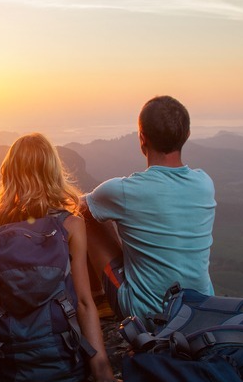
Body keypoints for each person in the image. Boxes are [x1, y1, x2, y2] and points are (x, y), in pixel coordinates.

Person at [0, 132, 122, 382]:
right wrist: (102, 368)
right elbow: (83, 301)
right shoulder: (71, 224)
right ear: (53, 171)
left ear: (9, 172)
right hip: (62, 362)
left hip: (6, 365)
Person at [82, 95, 216, 322]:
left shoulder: (123, 191)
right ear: (187, 136)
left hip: (146, 314)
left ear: (142, 138)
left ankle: (99, 301)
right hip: (201, 310)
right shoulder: (205, 183)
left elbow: (77, 205)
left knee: (87, 217)